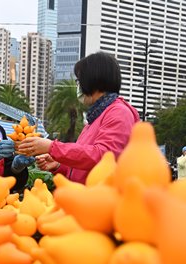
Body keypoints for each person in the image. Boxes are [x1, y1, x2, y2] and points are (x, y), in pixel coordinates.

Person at [16, 52, 140, 184]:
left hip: (104, 200)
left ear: (93, 80)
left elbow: (104, 156)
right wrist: (60, 165)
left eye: (79, 80)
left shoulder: (119, 112)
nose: (78, 86)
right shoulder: (96, 116)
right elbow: (86, 164)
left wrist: (52, 147)